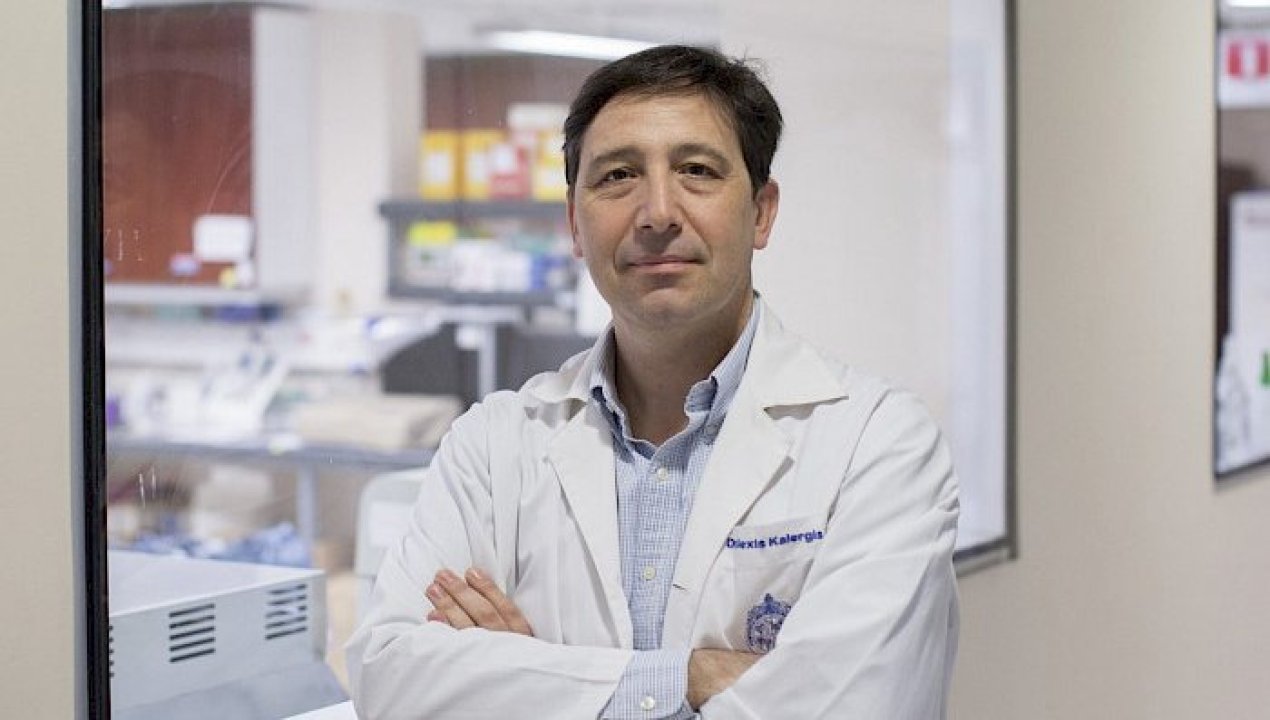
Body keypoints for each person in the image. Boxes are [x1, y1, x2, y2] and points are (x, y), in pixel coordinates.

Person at [347, 44, 959, 719]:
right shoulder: (493, 445)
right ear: (574, 224)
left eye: (697, 171)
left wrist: (533, 677)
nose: (657, 212)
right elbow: (392, 682)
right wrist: (690, 677)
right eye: (618, 176)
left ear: (761, 212)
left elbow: (856, 708)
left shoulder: (878, 445)